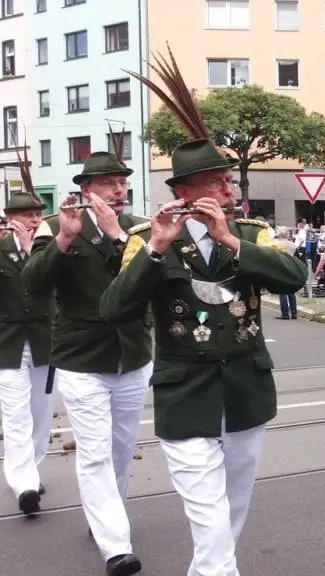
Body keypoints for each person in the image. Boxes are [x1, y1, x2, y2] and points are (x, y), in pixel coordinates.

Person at [99, 137, 307, 576]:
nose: (229, 192)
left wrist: (230, 240)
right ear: (185, 193)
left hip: (246, 392)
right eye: (218, 183)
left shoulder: (249, 233)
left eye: (229, 182)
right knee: (209, 519)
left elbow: (293, 279)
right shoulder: (149, 241)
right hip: (186, 396)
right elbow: (115, 309)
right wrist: (156, 249)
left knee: (231, 510)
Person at [23, 152, 152, 576]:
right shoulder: (57, 227)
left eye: (122, 182)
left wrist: (118, 236)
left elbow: (151, 278)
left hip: (131, 354)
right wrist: (62, 240)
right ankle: (116, 545)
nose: (118, 190)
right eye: (109, 183)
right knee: (95, 451)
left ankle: (104, 521)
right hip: (82, 358)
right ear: (86, 190)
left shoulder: (136, 227)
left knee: (120, 449)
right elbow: (34, 283)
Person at [0, 190, 54, 517]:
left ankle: (31, 468)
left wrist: (32, 251)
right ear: (10, 219)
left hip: (44, 342)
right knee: (16, 415)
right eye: (27, 215)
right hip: (8, 344)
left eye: (37, 215)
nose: (34, 221)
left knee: (41, 413)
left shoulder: (50, 250)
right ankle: (25, 485)